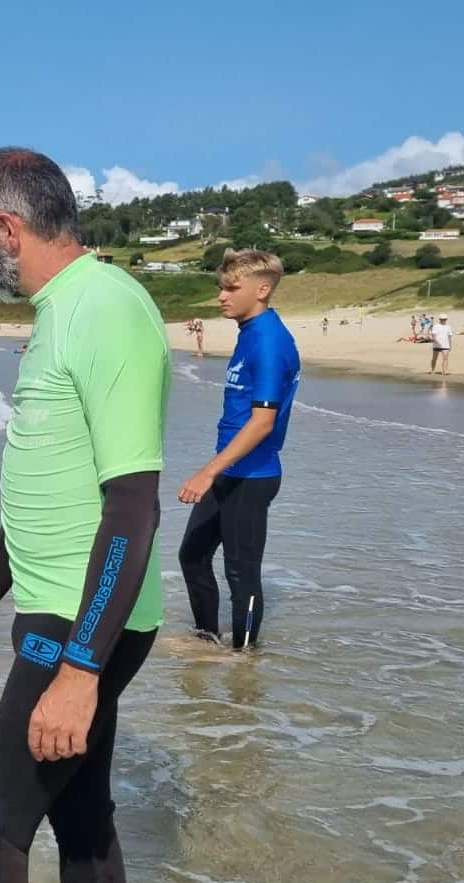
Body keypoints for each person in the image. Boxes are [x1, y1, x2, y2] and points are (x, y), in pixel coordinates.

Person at [0, 147, 168, 883]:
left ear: (9, 228)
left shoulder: (103, 306)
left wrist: (80, 669)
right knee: (80, 818)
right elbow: (50, 483)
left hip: (82, 619)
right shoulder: (60, 311)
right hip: (62, 607)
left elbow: (133, 503)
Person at [177, 249, 300, 651]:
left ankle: (243, 659)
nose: (222, 297)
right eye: (221, 288)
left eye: (232, 288)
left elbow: (263, 423)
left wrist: (207, 472)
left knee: (241, 573)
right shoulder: (249, 333)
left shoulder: (269, 341)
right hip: (230, 470)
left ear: (261, 290)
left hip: (252, 476)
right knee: (192, 555)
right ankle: (206, 638)